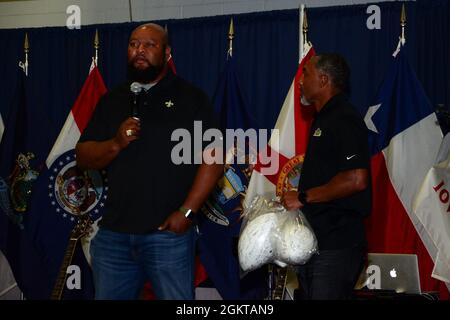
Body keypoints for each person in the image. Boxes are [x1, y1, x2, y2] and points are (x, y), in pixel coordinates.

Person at [75, 23, 223, 300]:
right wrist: (115, 143)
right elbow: (83, 156)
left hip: (168, 236)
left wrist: (187, 213)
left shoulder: (191, 98)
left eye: (149, 45)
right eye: (133, 44)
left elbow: (214, 159)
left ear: (167, 53)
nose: (139, 50)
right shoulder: (112, 100)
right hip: (113, 237)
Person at [282, 53, 371, 300]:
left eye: (306, 73)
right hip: (316, 243)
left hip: (336, 245)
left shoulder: (344, 118)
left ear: (323, 80)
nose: (300, 80)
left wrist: (303, 197)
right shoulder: (323, 119)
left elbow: (356, 178)